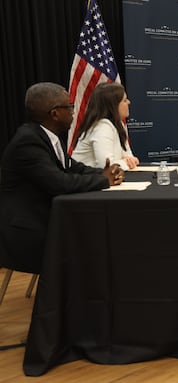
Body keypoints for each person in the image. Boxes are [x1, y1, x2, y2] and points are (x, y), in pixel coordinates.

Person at [0, 82, 124, 274]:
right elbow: (60, 183)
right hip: (28, 230)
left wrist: (104, 173)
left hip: (48, 216)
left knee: (99, 233)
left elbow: (74, 168)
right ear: (55, 114)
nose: (74, 111)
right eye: (70, 107)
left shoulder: (48, 137)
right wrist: (103, 180)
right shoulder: (28, 142)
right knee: (94, 239)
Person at [72, 82, 139, 170]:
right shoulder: (102, 126)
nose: (129, 102)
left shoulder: (118, 124)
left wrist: (128, 161)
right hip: (85, 180)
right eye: (124, 100)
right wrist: (125, 162)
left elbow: (130, 158)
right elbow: (106, 166)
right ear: (113, 105)